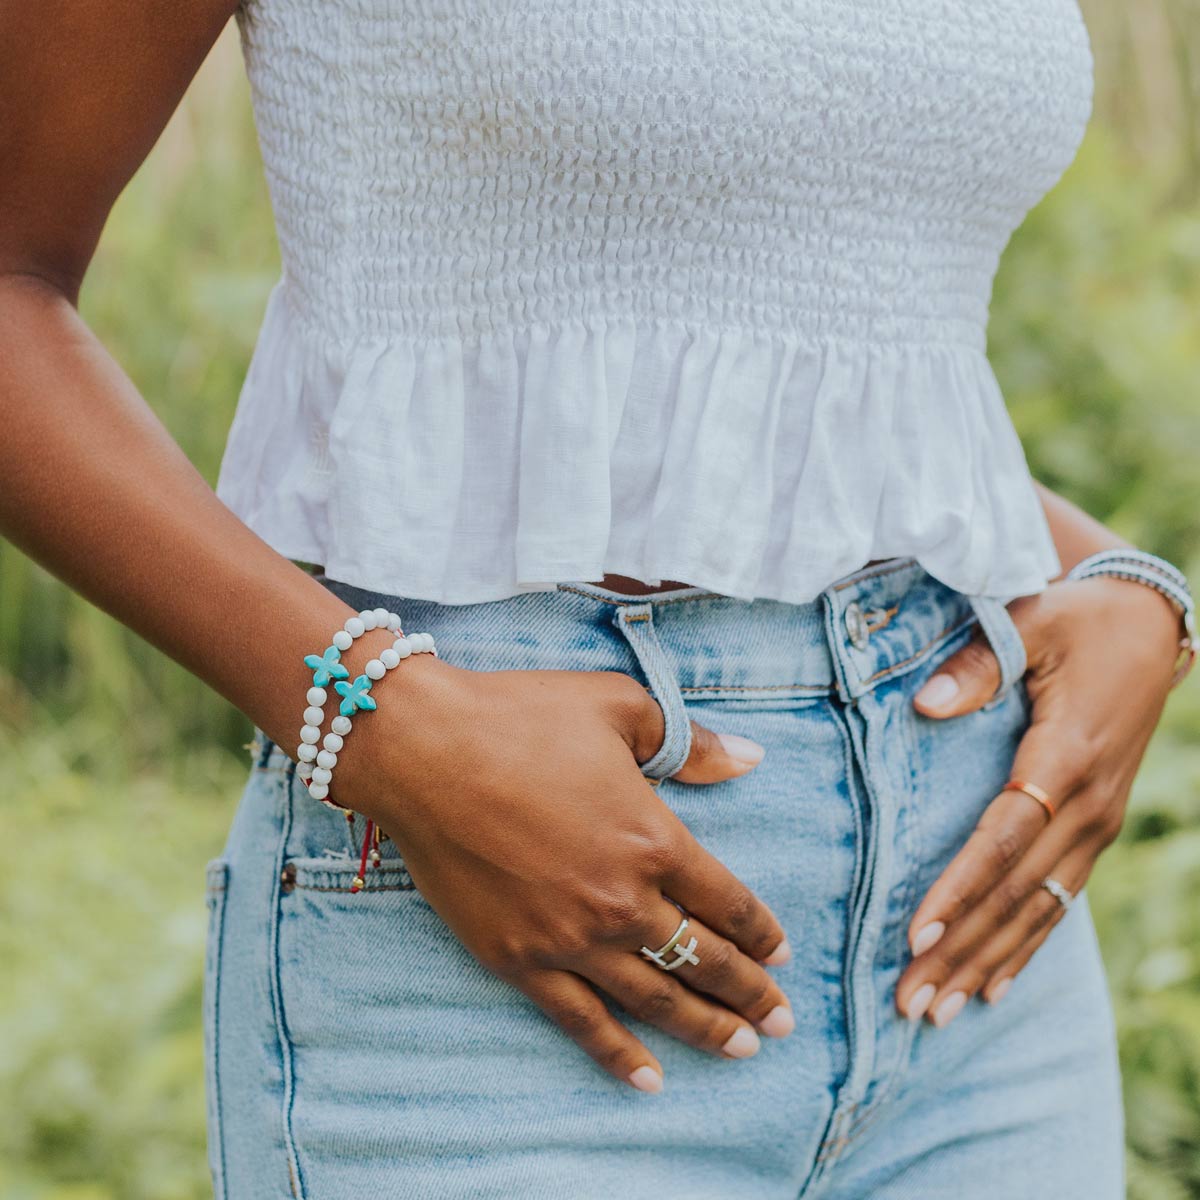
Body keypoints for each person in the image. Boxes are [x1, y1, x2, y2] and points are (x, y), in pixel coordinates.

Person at [1, 1, 1195, 1197]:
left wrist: (1120, 580)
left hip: (974, 955)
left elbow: (837, 326)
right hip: (499, 908)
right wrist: (390, 730)